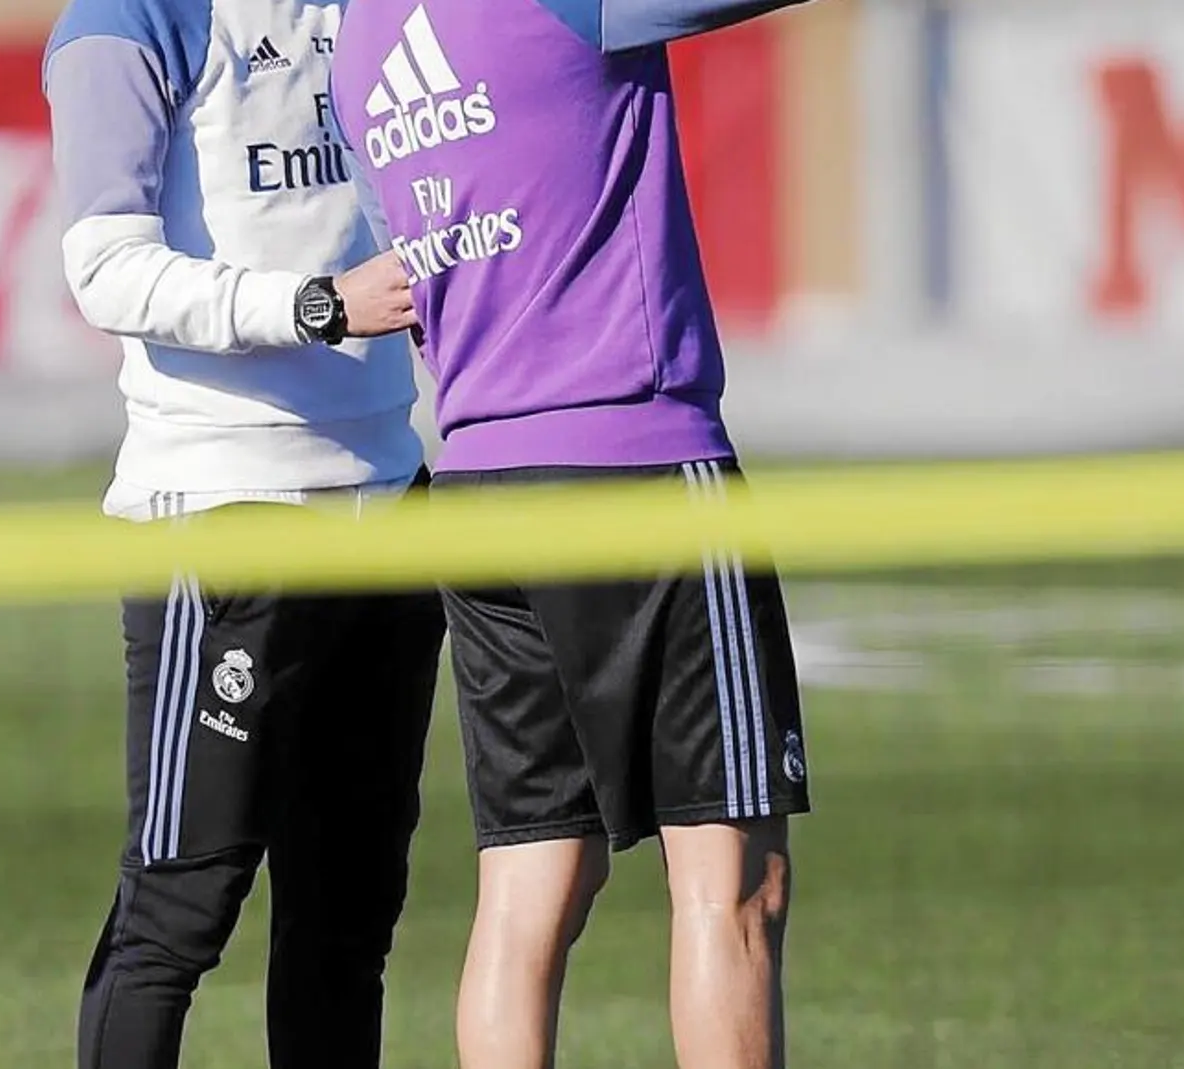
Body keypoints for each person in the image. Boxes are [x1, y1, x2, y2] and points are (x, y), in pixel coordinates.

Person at [330, 2, 813, 1067]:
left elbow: (410, 278)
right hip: (633, 465)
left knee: (530, 884)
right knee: (731, 884)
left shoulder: (359, 43)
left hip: (482, 483)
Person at [43, 0, 446, 1066]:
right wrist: (316, 306)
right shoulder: (131, 19)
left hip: (391, 508)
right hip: (220, 512)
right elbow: (102, 268)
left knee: (350, 915)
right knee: (179, 908)